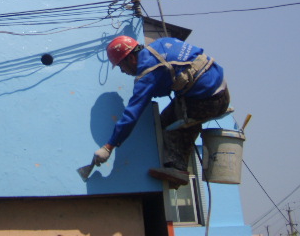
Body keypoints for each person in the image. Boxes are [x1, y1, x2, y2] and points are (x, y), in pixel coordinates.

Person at [93, 35, 229, 188]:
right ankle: (178, 167)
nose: (122, 71)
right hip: (220, 88)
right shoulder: (161, 44)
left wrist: (109, 147)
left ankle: (177, 170)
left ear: (131, 58)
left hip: (210, 101)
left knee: (172, 126)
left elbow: (131, 115)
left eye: (120, 66)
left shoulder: (148, 73)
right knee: (172, 118)